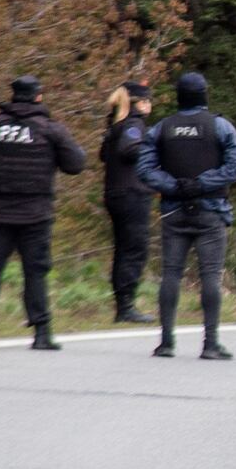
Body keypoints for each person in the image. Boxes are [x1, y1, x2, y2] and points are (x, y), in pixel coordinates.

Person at [0, 75, 86, 349]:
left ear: (13, 95)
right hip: (35, 215)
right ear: (39, 96)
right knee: (35, 272)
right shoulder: (51, 129)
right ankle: (41, 334)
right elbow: (75, 164)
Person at [137, 72, 236, 359]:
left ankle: (166, 342)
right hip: (211, 209)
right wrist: (201, 184)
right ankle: (210, 343)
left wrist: (175, 186)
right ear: (204, 95)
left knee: (171, 274)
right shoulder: (220, 126)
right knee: (210, 275)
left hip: (174, 209)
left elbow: (144, 169)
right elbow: (234, 167)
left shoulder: (162, 127)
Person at [100, 81, 156, 324]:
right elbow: (129, 149)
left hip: (114, 193)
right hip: (132, 194)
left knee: (122, 249)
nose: (150, 105)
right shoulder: (134, 125)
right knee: (135, 249)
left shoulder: (115, 125)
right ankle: (126, 306)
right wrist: (154, 153)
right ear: (140, 103)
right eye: (148, 100)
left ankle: (122, 304)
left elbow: (104, 155)